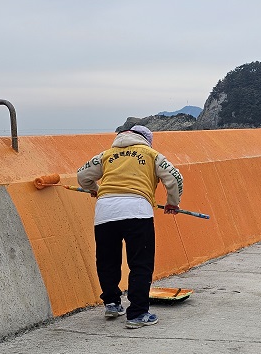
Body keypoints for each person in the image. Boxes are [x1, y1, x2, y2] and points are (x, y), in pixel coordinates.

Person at [77, 125, 183, 329]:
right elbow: (175, 178)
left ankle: (112, 303)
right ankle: (138, 313)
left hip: (106, 211)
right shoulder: (151, 154)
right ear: (146, 140)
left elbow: (82, 176)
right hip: (137, 210)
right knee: (140, 263)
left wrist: (96, 190)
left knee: (107, 260)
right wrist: (172, 202)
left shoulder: (107, 155)